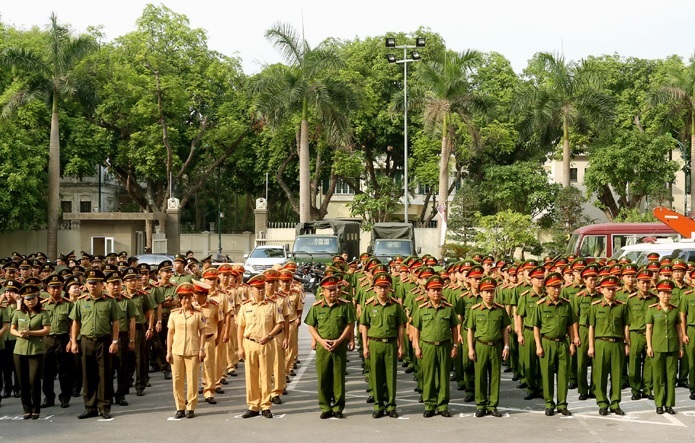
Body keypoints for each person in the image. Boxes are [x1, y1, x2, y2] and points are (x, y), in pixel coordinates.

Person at [69, 269, 120, 419]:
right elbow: (75, 322)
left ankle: (104, 407)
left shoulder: (109, 301)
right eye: (90, 283)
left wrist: (115, 341)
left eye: (95, 283)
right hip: (86, 341)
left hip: (104, 341)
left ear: (101, 285)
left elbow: (115, 322)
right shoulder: (81, 301)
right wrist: (73, 341)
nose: (92, 286)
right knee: (88, 374)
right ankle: (90, 407)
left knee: (104, 375)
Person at [304, 275, 355, 419]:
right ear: (323, 291)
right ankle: (325, 406)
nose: (333, 292)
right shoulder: (316, 307)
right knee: (323, 377)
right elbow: (311, 326)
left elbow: (350, 324)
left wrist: (341, 340)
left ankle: (338, 407)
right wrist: (319, 341)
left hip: (339, 345)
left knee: (338, 377)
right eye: (330, 290)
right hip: (323, 347)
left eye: (335, 289)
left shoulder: (344, 306)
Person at [360, 272, 407, 418]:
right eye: (379, 287)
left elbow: (400, 326)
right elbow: (364, 326)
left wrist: (401, 345)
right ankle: (378, 405)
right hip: (375, 343)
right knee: (376, 376)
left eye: (385, 287)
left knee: (391, 376)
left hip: (391, 344)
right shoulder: (369, 305)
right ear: (374, 288)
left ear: (390, 288)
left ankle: (391, 405)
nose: (382, 290)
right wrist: (365, 346)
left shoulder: (395, 306)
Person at [237, 275, 284, 418]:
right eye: (257, 289)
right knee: (251, 376)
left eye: (262, 288)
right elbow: (240, 327)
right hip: (250, 343)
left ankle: (265, 405)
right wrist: (240, 347)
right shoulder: (246, 306)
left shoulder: (272, 305)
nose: (261, 291)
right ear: (251, 289)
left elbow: (280, 324)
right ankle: (253, 405)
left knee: (265, 375)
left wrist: (269, 335)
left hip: (266, 343)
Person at [411, 275, 459, 418]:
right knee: (429, 376)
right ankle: (430, 405)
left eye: (438, 290)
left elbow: (455, 328)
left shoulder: (449, 309)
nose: (436, 293)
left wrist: (455, 345)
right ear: (427, 291)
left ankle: (443, 405)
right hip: (427, 346)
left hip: (444, 346)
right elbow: (416, 328)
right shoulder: (422, 308)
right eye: (433, 290)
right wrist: (417, 347)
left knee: (444, 376)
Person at [532, 272, 578, 416]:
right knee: (547, 374)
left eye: (558, 287)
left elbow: (570, 325)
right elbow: (536, 327)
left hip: (563, 343)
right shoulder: (540, 305)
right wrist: (538, 345)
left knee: (563, 374)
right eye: (553, 287)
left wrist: (572, 342)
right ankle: (549, 403)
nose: (557, 290)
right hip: (547, 343)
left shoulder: (566, 305)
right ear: (547, 289)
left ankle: (562, 404)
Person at [466, 276, 511, 417]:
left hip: (496, 346)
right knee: (480, 376)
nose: (489, 294)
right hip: (480, 346)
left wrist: (506, 346)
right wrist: (471, 349)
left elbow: (505, 329)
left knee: (495, 377)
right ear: (480, 293)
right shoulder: (475, 310)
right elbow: (470, 330)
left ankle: (492, 405)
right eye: (486, 292)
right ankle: (480, 405)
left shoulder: (500, 310)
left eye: (491, 291)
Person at [588, 275, 629, 416]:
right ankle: (602, 402)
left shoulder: (622, 307)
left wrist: (626, 343)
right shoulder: (595, 307)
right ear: (602, 290)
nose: (611, 292)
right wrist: (591, 346)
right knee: (600, 374)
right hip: (601, 343)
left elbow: (625, 326)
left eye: (613, 289)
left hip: (617, 343)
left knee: (617, 375)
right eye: (608, 289)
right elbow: (591, 327)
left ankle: (615, 403)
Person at [166, 283, 207, 419]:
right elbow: (170, 333)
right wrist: (168, 351)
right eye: (183, 298)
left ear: (192, 299)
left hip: (192, 350)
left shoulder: (198, 314)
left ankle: (191, 407)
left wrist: (202, 349)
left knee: (192, 379)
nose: (186, 301)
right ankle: (180, 407)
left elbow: (202, 332)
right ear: (179, 299)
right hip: (177, 350)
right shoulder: (174, 314)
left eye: (189, 297)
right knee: (177, 380)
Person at [10, 284, 51, 419]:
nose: (30, 301)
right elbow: (12, 329)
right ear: (23, 299)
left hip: (36, 350)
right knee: (23, 381)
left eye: (33, 298)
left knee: (34, 380)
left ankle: (36, 408)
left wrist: (30, 332)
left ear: (37, 298)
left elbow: (46, 330)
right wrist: (19, 334)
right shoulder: (18, 312)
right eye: (27, 299)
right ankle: (26, 409)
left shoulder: (43, 313)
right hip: (20, 350)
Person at [647, 279, 683, 415]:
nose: (666, 296)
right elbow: (649, 329)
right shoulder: (652, 310)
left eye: (668, 293)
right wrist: (649, 346)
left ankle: (669, 404)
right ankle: (659, 403)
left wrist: (681, 347)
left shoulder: (674, 310)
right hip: (657, 347)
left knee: (671, 376)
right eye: (663, 293)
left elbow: (679, 330)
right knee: (658, 377)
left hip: (672, 347)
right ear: (658, 294)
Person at [41, 274, 75, 409]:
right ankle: (48, 397)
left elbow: (73, 324)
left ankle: (65, 397)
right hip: (47, 340)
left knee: (65, 371)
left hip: (63, 339)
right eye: (53, 288)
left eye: (58, 287)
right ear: (48, 289)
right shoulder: (43, 305)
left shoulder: (68, 304)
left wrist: (71, 340)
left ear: (62, 288)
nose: (56, 290)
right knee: (47, 372)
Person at [627, 269, 656, 400]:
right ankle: (635, 389)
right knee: (634, 362)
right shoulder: (631, 300)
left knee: (650, 362)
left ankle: (647, 389)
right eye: (643, 282)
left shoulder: (655, 299)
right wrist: (626, 340)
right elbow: (626, 321)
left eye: (647, 282)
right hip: (636, 334)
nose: (645, 285)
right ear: (637, 283)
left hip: (651, 335)